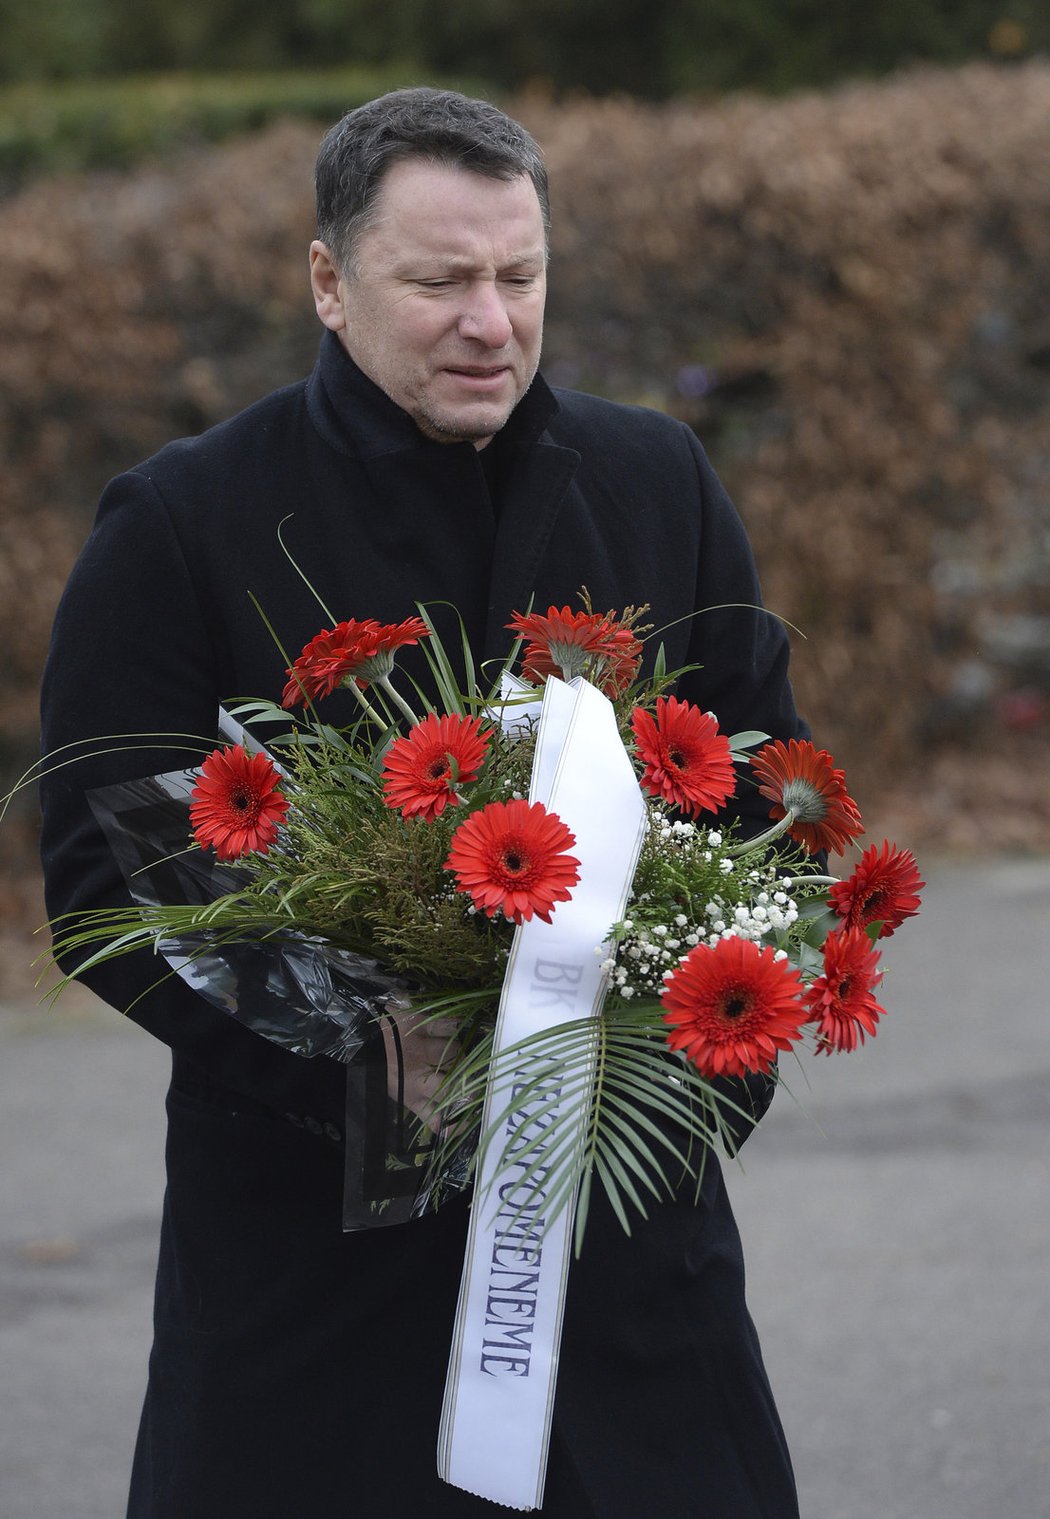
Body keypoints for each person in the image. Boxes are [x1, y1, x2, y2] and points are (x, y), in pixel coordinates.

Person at [40, 88, 803, 1518]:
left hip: (629, 1251)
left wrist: (688, 1076)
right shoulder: (185, 521)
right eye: (439, 281)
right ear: (329, 283)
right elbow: (105, 888)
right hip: (311, 1274)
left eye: (520, 277)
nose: (490, 322)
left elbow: (767, 794)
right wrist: (370, 1072)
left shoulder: (656, 479)